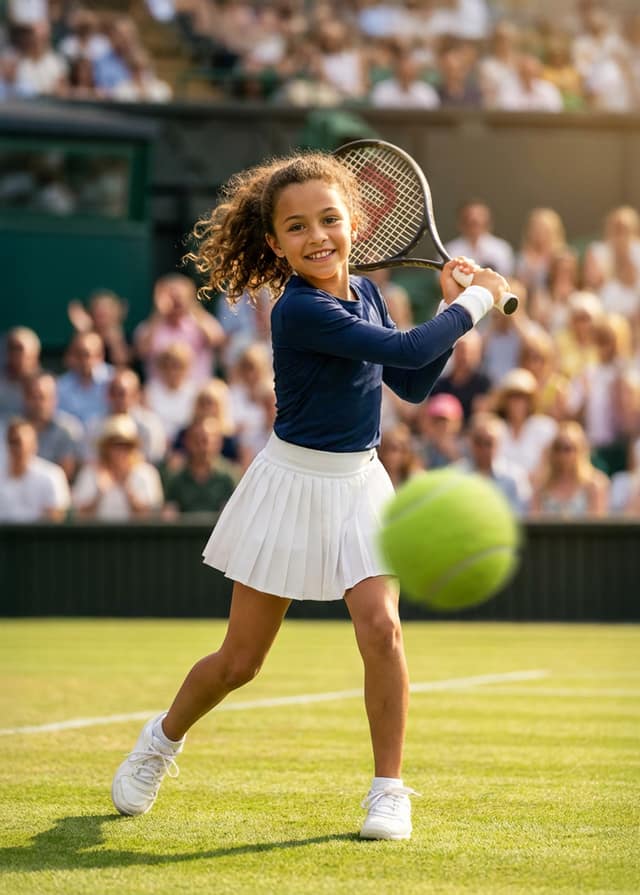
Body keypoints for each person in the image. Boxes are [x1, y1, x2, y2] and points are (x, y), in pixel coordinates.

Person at [110, 150, 509, 840]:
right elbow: (413, 353)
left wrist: (451, 306)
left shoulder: (371, 293)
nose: (318, 235)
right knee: (241, 661)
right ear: (275, 244)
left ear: (355, 222)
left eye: (330, 218)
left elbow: (409, 382)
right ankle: (161, 740)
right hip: (292, 484)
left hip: (360, 482)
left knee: (381, 629)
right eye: (297, 227)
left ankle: (388, 790)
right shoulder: (298, 310)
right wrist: (473, 301)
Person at [71, 414, 163, 521]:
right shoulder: (89, 472)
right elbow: (79, 516)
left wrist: (128, 491)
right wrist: (99, 494)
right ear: (105, 447)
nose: (120, 451)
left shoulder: (146, 474)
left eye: (126, 446)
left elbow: (152, 517)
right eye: (115, 445)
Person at [456, 411, 531, 515]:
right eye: (478, 441)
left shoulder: (514, 477)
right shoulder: (457, 474)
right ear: (470, 442)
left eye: (488, 443)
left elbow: (520, 515)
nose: (483, 448)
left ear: (499, 443)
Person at [530, 421, 608, 518]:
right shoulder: (541, 485)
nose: (562, 454)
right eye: (557, 448)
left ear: (580, 450)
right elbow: (535, 522)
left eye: (568, 448)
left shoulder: (594, 485)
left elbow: (597, 525)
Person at [163, 417, 237, 518]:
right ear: (187, 442)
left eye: (205, 441)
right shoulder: (176, 479)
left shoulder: (229, 477)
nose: (201, 447)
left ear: (218, 443)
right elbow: (169, 513)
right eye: (196, 441)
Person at [0, 417, 70, 522]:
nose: (15, 448)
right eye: (12, 442)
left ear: (34, 445)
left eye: (19, 442)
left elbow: (57, 518)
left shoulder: (52, 475)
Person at [22, 372, 84, 481]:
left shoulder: (68, 429)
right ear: (25, 398)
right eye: (33, 396)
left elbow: (65, 475)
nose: (38, 402)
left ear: (54, 399)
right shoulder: (12, 430)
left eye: (42, 397)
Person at [445, 200, 515, 278]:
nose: (474, 218)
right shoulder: (450, 250)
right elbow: (443, 279)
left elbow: (507, 279)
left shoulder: (501, 248)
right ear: (461, 223)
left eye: (479, 216)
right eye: (469, 217)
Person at [0, 326, 42, 419]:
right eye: (11, 348)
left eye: (19, 349)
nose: (14, 355)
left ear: (34, 354)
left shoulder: (47, 387)